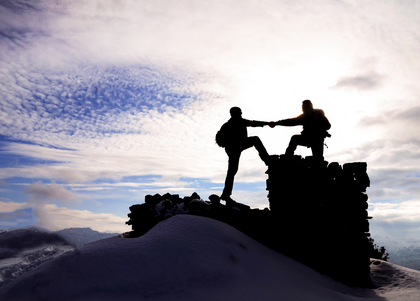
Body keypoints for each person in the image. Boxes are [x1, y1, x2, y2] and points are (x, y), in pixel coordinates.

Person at [220, 107, 271, 205]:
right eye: (239, 112)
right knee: (255, 140)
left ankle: (226, 194)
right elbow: (253, 123)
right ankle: (267, 161)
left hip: (233, 148)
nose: (241, 114)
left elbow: (253, 123)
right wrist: (267, 123)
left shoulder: (228, 124)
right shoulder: (236, 122)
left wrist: (266, 123)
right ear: (235, 114)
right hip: (235, 146)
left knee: (232, 171)